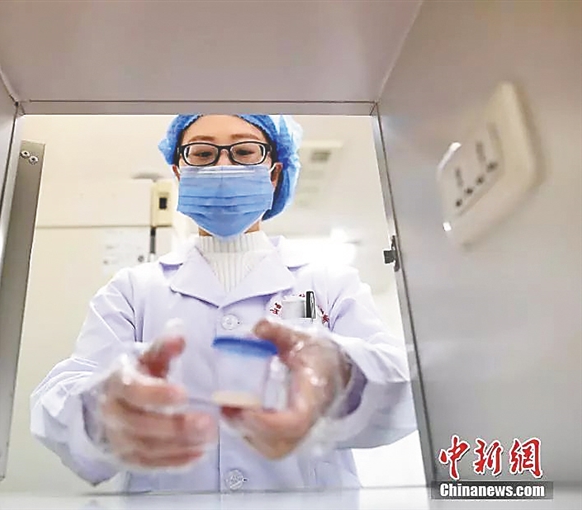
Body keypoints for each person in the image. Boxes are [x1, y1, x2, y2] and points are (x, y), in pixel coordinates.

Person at [30, 114, 417, 493]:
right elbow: (59, 397)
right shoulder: (132, 290)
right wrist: (102, 409)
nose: (222, 166)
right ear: (179, 173)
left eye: (245, 152)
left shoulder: (330, 282)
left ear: (274, 173)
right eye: (202, 154)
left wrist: (341, 375)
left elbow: (407, 389)